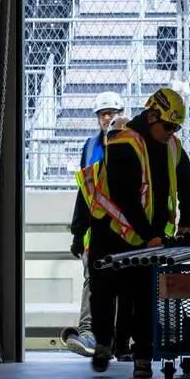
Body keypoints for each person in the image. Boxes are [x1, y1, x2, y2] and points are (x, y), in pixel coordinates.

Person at [86, 87, 190, 378]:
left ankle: (143, 356)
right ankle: (103, 344)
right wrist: (150, 235)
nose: (172, 132)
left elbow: (187, 183)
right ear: (151, 117)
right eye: (169, 125)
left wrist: (186, 222)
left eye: (177, 127)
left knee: (144, 297)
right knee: (104, 292)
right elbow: (126, 198)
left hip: (148, 236)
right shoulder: (125, 144)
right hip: (111, 231)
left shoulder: (172, 145)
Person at [63, 91, 125, 358]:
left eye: (112, 113)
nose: (107, 118)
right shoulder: (90, 147)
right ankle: (90, 334)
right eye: (103, 114)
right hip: (96, 230)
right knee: (94, 282)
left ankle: (119, 341)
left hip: (125, 230)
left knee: (124, 287)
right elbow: (83, 192)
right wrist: (78, 233)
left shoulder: (133, 145)